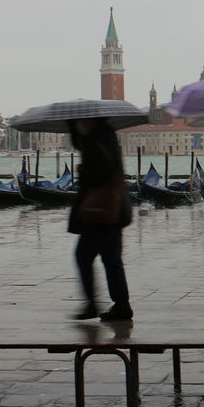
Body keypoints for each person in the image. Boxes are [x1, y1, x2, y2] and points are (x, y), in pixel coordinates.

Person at [67, 119, 133, 321]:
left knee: (83, 256)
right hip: (115, 210)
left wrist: (82, 172)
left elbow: (97, 175)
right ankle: (122, 305)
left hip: (99, 212)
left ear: (90, 121)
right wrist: (72, 127)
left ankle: (92, 305)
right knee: (112, 261)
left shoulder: (95, 142)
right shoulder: (107, 138)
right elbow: (82, 144)